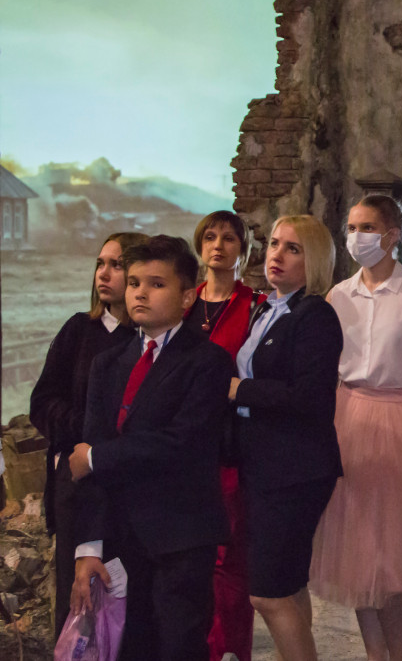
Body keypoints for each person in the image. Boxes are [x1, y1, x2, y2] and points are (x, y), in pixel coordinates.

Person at [68, 235, 234, 661]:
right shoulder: (108, 364)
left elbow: (182, 443)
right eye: (135, 283)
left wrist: (97, 457)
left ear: (187, 297)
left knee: (178, 646)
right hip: (121, 539)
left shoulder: (209, 362)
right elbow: (90, 456)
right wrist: (89, 548)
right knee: (129, 648)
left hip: (181, 536)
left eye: (157, 284)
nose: (140, 293)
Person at [310, 195, 402, 661]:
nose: (357, 237)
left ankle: (400, 653)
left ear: (392, 235)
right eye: (351, 227)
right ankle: (375, 653)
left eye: (367, 227)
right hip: (348, 419)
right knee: (357, 549)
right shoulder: (338, 295)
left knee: (394, 554)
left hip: (399, 420)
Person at [230, 214, 342, 661]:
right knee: (289, 586)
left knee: (267, 594)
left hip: (294, 469)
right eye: (275, 243)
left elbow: (311, 397)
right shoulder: (268, 307)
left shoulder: (315, 314)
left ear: (314, 260)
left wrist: (240, 390)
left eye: (293, 248)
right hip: (264, 462)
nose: (277, 254)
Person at [31, 231, 147, 636]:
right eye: (100, 263)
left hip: (132, 485)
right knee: (76, 607)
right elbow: (42, 401)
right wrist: (88, 432)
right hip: (78, 481)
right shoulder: (79, 330)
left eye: (117, 265)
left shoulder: (148, 338)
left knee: (131, 608)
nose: (104, 273)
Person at [186, 210, 260, 661]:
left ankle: (230, 651)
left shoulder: (255, 305)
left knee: (231, 558)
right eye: (210, 237)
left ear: (242, 250)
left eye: (229, 238)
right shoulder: (182, 302)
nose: (218, 245)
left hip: (232, 444)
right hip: (185, 445)